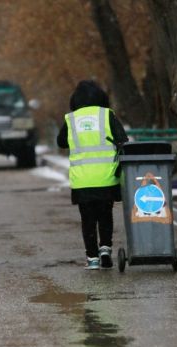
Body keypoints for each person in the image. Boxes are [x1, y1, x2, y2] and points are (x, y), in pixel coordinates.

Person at [57, 80, 128, 270]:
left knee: (87, 219)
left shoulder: (71, 120)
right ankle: (105, 248)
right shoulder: (106, 116)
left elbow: (61, 142)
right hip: (106, 178)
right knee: (105, 215)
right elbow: (123, 140)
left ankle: (92, 258)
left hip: (82, 181)